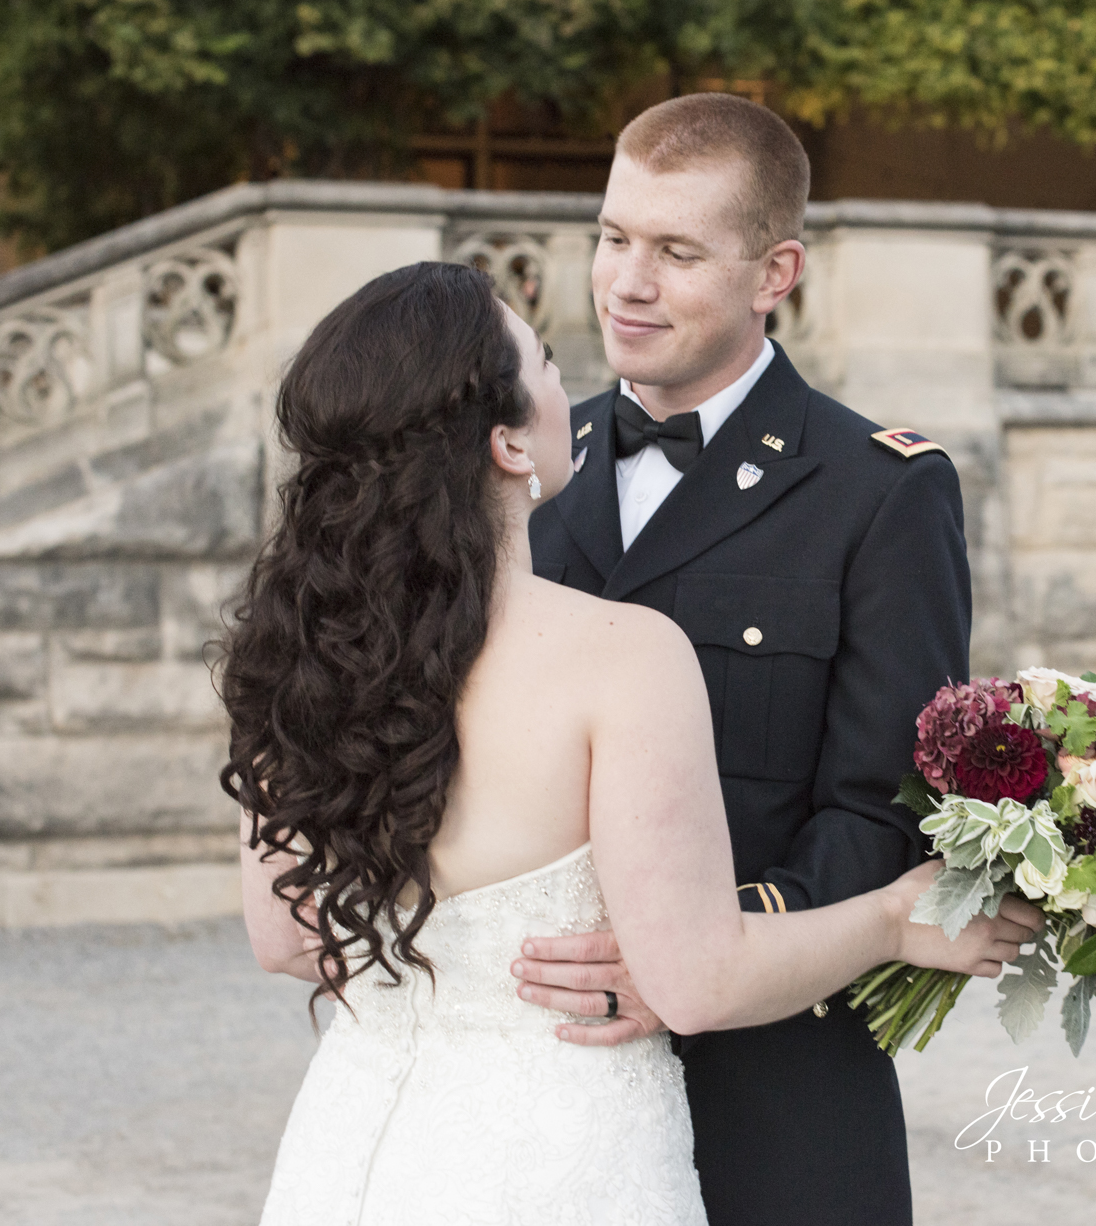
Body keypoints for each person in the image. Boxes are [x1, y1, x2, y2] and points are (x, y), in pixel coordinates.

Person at [223, 261, 1041, 1225]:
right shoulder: (623, 655)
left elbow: (284, 936)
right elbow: (696, 982)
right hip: (557, 1153)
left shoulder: (289, 650)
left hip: (355, 1146)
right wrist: (899, 918)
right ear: (507, 443)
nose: (572, 383)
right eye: (541, 361)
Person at [520, 93, 974, 1223]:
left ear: (775, 272)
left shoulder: (880, 493)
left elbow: (882, 812)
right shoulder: (517, 465)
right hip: (532, 1072)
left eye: (676, 251)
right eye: (613, 238)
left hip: (775, 1087)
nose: (627, 281)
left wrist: (694, 964)